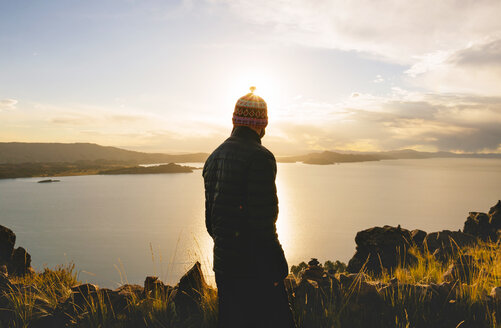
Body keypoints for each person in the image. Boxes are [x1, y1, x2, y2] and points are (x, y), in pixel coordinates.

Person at [203, 87, 295, 328]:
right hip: (255, 269)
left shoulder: (213, 158)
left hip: (224, 268)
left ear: (235, 121)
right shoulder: (260, 158)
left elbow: (211, 223)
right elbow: (263, 223)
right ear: (261, 124)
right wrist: (278, 267)